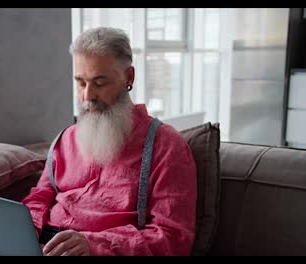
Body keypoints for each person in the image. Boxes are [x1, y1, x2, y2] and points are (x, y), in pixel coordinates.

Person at [22, 27, 197, 256]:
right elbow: (39, 198)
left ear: (129, 77)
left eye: (99, 83)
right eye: (80, 82)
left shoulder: (166, 147)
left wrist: (93, 246)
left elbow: (173, 238)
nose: (87, 96)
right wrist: (25, 233)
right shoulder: (65, 139)